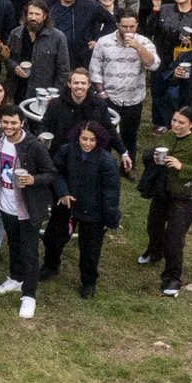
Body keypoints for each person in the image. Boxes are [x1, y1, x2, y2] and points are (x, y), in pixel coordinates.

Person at [0, 108, 55, 319]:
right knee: (14, 245)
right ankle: (15, 279)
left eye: (13, 123)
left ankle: (29, 295)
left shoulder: (34, 146)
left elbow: (51, 174)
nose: (9, 127)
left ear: (22, 123)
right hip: (6, 206)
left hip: (27, 208)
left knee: (29, 252)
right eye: (5, 122)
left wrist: (34, 180)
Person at [137, 106, 192, 296]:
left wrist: (182, 167)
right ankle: (154, 252)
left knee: (174, 238)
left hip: (184, 196)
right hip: (163, 191)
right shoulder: (169, 136)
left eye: (181, 123)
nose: (176, 125)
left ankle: (172, 278)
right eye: (174, 120)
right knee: (153, 225)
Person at [51, 121, 122, 298]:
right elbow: (56, 172)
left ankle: (88, 282)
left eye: (92, 140)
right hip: (67, 205)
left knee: (90, 250)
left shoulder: (106, 161)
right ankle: (50, 266)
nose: (87, 143)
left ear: (98, 141)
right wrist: (63, 191)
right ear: (78, 137)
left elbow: (111, 192)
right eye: (84, 139)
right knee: (54, 238)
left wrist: (110, 218)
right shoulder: (67, 151)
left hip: (93, 212)